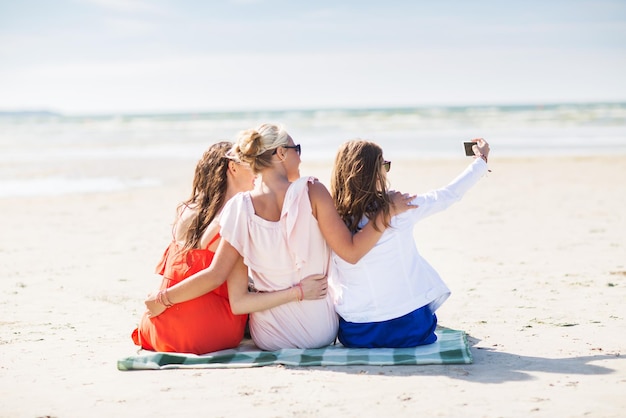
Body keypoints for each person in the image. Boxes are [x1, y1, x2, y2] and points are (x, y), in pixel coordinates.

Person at [144, 123, 416, 351]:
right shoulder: (314, 191)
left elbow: (235, 299)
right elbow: (352, 252)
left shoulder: (240, 208)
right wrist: (386, 213)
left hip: (269, 338)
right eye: (296, 149)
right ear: (280, 153)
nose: (300, 156)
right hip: (320, 332)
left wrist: (163, 298)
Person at [329, 138, 491, 348]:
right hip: (410, 330)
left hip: (357, 333)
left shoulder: (331, 220)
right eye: (384, 166)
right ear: (374, 173)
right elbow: (448, 195)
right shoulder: (399, 209)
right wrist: (481, 161)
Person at [131, 141, 257, 354]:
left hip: (159, 327)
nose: (257, 170)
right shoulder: (231, 220)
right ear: (233, 167)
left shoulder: (188, 214)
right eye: (251, 163)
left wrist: (162, 299)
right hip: (208, 330)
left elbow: (179, 273)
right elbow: (214, 276)